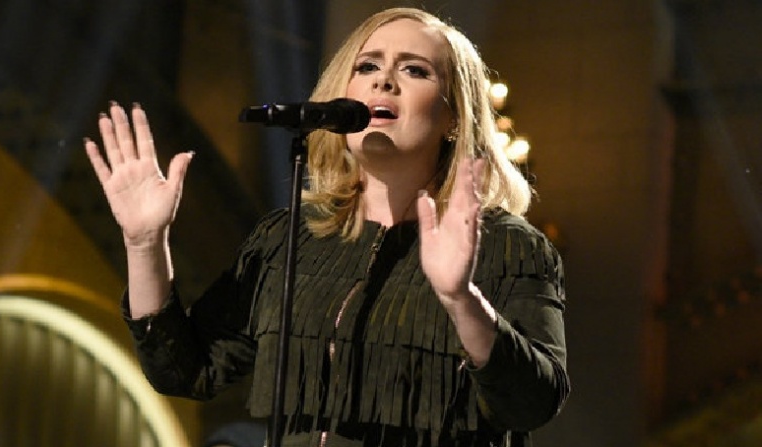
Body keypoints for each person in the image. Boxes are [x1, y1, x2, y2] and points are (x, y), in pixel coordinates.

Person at [84, 7, 569, 447]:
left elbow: (533, 403)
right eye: (368, 66)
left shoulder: (510, 248)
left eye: (414, 70)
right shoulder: (288, 240)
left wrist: (462, 298)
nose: (384, 81)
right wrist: (144, 243)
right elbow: (185, 370)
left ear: (454, 117)